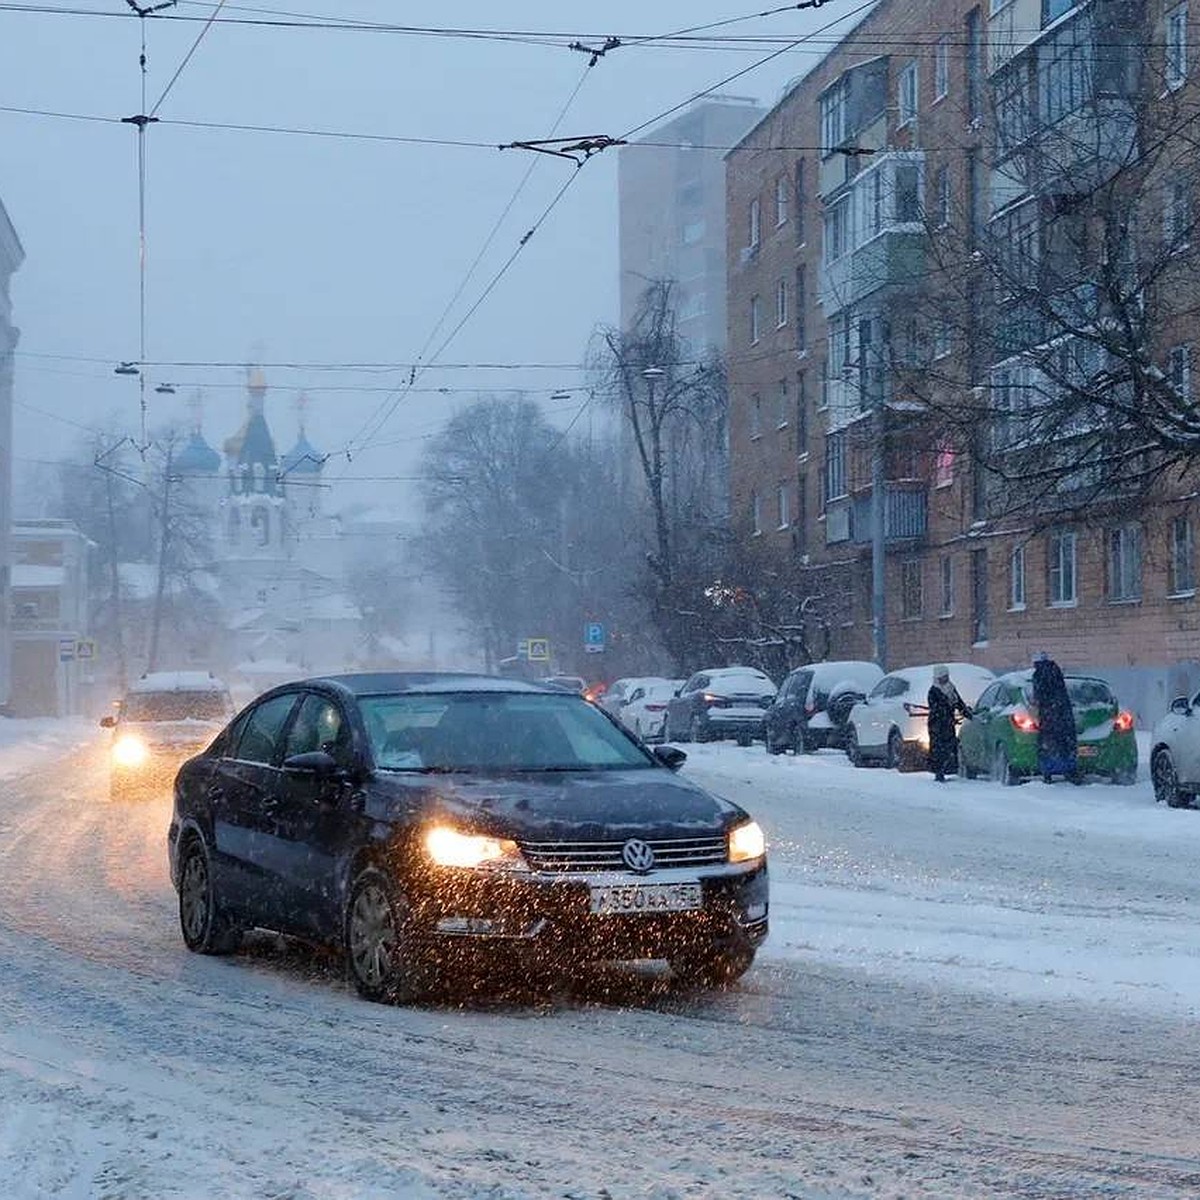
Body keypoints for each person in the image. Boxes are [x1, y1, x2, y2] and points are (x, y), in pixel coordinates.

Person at [1030, 651, 1078, 784]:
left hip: (1049, 715)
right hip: (1064, 713)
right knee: (1066, 743)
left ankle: (1049, 771)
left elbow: (1039, 695)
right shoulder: (1056, 671)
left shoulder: (1038, 675)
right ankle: (1070, 770)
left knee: (1049, 744)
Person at [927, 664, 973, 782]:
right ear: (937, 678)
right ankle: (939, 772)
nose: (945, 679)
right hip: (937, 725)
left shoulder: (951, 689)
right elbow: (937, 709)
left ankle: (949, 769)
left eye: (946, 676)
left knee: (949, 747)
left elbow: (959, 703)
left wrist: (968, 714)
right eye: (943, 677)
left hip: (949, 724)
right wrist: (947, 716)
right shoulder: (933, 691)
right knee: (938, 748)